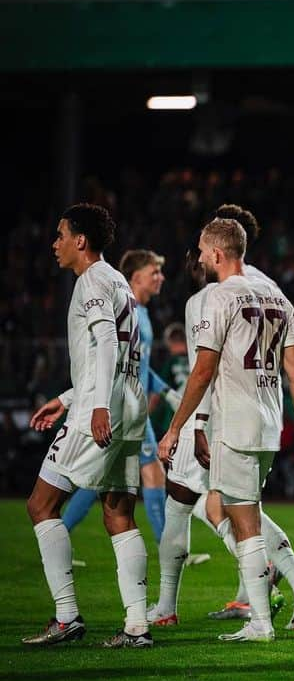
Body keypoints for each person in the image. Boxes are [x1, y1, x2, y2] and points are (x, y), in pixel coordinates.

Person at [158, 217, 294, 642]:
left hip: (234, 421)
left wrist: (177, 427)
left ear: (216, 254)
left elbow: (203, 372)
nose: (198, 256)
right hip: (270, 424)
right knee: (243, 512)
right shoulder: (277, 296)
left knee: (242, 521)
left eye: (201, 249)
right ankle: (271, 608)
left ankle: (260, 623)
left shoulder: (218, 297)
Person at [24, 204, 153, 648]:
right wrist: (65, 398)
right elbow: (108, 355)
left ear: (81, 240)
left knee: (41, 506)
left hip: (105, 407)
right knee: (118, 513)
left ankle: (66, 617)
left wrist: (96, 407)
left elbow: (106, 347)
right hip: (130, 405)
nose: (54, 243)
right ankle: (137, 625)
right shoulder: (117, 280)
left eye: (60, 234)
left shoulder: (92, 280)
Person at [61, 249, 179, 543]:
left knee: (108, 477)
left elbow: (141, 366)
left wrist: (165, 392)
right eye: (155, 272)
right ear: (136, 277)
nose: (160, 278)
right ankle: (169, 548)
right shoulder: (128, 312)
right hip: (122, 405)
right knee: (137, 475)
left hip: (130, 406)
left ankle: (58, 535)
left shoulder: (143, 313)